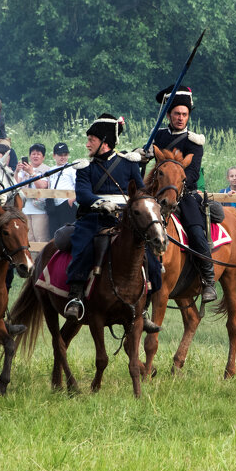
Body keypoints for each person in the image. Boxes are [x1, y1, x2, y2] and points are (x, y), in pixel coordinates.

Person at [65, 114, 158, 330]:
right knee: (83, 247)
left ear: (105, 143)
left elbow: (140, 191)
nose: (87, 144)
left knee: (150, 256)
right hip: (94, 219)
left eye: (92, 140)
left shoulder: (128, 163)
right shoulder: (85, 168)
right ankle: (76, 296)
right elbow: (83, 194)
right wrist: (99, 203)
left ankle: (144, 308)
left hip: (124, 221)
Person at [145, 86, 215, 301]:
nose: (180, 118)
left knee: (195, 232)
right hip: (158, 195)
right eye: (177, 114)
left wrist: (176, 187)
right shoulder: (157, 136)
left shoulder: (194, 142)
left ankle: (208, 279)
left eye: (184, 114)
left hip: (185, 194)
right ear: (168, 115)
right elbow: (149, 164)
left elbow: (192, 174)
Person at [15, 143, 51, 242]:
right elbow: (16, 186)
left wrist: (32, 173)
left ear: (43, 157)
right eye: (33, 154)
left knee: (40, 238)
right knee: (28, 239)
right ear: (29, 156)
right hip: (25, 209)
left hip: (40, 209)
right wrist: (17, 171)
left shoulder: (47, 170)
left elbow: (43, 185)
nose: (35, 156)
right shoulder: (24, 170)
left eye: (38, 154)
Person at [45, 142, 77, 231]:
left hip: (66, 203)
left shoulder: (72, 169)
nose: (63, 157)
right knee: (53, 232)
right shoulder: (51, 170)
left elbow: (78, 185)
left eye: (65, 154)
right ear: (54, 156)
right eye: (60, 155)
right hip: (53, 204)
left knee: (67, 232)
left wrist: (72, 199)